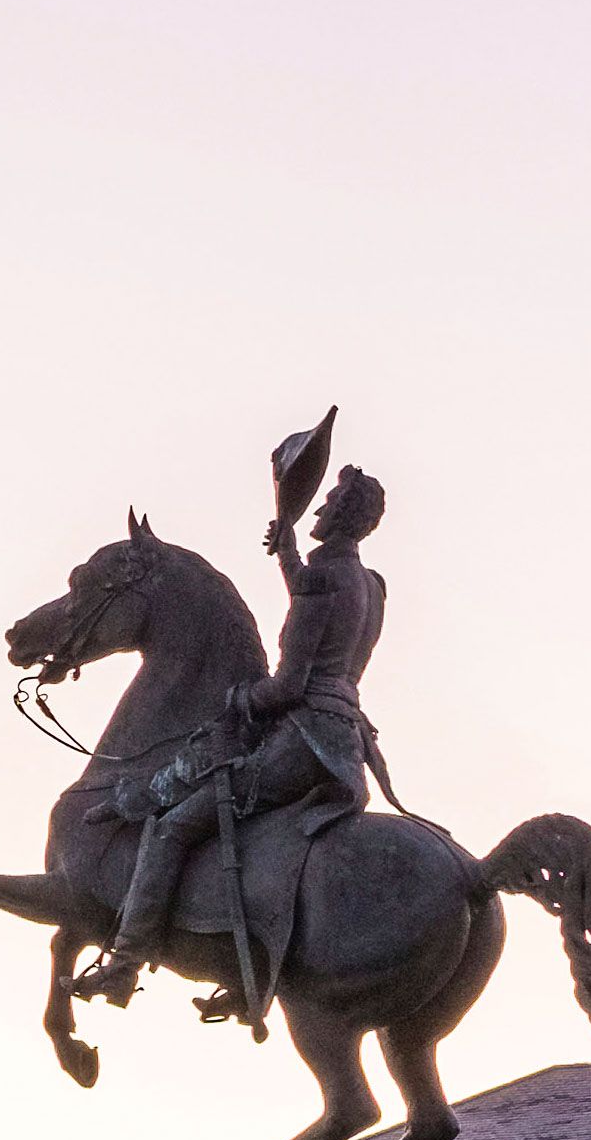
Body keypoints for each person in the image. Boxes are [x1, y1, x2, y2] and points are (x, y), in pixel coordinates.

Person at [99, 413, 388, 1020]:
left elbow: (287, 686)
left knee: (176, 823)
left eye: (331, 499)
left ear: (339, 514)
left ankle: (123, 965)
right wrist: (286, 555)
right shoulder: (369, 583)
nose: (322, 506)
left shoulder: (324, 581)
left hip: (303, 738)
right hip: (347, 741)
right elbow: (320, 613)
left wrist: (238, 700)